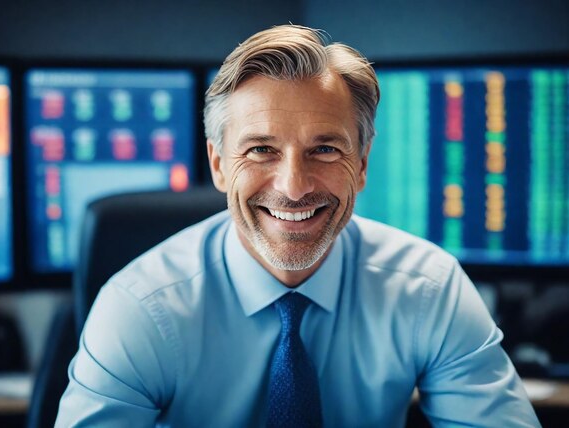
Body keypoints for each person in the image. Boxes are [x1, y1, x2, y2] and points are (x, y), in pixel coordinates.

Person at [56, 25, 540, 427]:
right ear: (220, 164)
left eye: (325, 149)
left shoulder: (428, 289)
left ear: (363, 164)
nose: (293, 186)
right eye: (261, 149)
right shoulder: (141, 308)